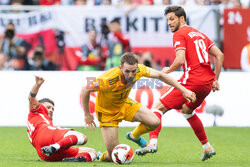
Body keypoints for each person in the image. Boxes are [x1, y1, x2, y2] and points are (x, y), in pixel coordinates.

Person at [128, 6, 224, 161]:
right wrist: (216, 79)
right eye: (167, 20)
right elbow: (219, 55)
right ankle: (207, 147)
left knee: (158, 108)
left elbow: (180, 60)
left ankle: (152, 143)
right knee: (187, 110)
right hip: (206, 84)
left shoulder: (180, 34)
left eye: (172, 19)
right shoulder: (199, 34)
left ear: (182, 18)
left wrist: (167, 71)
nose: (169, 23)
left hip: (192, 80)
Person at [81, 52, 196, 162]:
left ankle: (134, 136)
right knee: (112, 157)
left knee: (154, 122)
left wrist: (184, 90)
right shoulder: (109, 78)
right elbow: (85, 88)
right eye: (127, 71)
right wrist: (87, 114)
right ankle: (101, 156)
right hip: (107, 113)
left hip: (124, 104)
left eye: (133, 71)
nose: (130, 75)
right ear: (120, 68)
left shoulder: (139, 70)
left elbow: (160, 75)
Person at [27, 76, 97, 162]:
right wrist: (37, 85)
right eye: (48, 107)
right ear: (39, 106)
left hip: (44, 154)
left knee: (92, 152)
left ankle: (73, 159)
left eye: (52, 109)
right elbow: (31, 98)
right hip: (47, 137)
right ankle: (55, 147)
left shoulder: (37, 122)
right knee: (83, 137)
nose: (51, 110)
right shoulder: (37, 111)